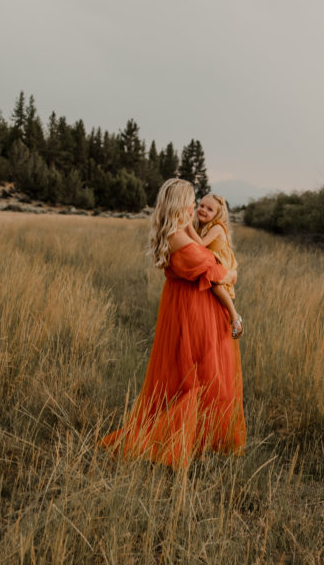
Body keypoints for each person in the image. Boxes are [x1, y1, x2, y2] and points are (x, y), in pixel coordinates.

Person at [101, 178, 246, 468]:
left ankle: (199, 440)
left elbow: (207, 260)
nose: (195, 206)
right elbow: (213, 270)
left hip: (191, 307)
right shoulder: (177, 238)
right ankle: (175, 441)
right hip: (192, 312)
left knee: (200, 375)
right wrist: (228, 276)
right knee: (194, 376)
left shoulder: (179, 231)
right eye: (192, 201)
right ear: (180, 204)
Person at [189, 193, 243, 339]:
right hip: (212, 260)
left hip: (221, 261)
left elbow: (200, 244)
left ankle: (235, 317)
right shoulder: (200, 225)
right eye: (201, 206)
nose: (203, 210)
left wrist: (188, 226)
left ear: (217, 215)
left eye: (210, 209)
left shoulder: (217, 227)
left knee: (216, 286)